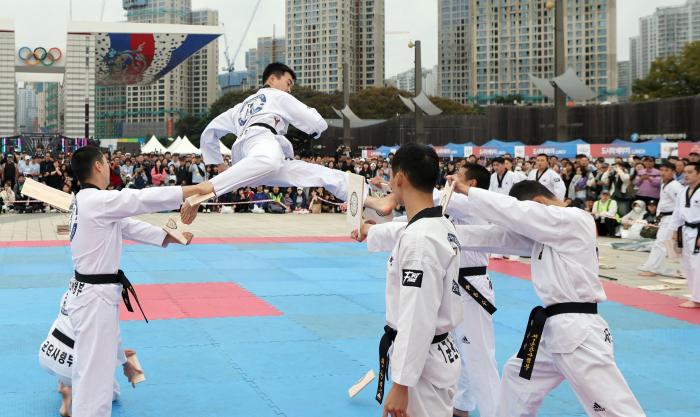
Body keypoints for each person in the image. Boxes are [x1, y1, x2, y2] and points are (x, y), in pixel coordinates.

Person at [446, 178, 645, 417]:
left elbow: (516, 213)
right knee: (517, 377)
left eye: (530, 213)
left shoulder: (574, 219)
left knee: (614, 408)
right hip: (552, 330)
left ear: (539, 203)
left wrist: (467, 190)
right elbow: (494, 237)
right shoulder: (548, 233)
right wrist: (442, 232)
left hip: (578, 332)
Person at [53, 146, 212, 417]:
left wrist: (166, 237)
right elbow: (140, 199)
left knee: (92, 364)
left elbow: (125, 225)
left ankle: (83, 400)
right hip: (94, 295)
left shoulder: (84, 201)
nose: (110, 165)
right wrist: (191, 190)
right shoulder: (97, 201)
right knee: (95, 373)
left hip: (92, 293)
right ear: (98, 166)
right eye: (107, 161)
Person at [364, 163, 500, 417]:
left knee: (479, 357)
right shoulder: (443, 214)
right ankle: (462, 405)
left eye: (458, 176)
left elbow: (424, 196)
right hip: (451, 283)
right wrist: (388, 193)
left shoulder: (473, 205)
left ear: (471, 185)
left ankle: (494, 412)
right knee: (456, 349)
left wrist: (390, 193)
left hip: (472, 287)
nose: (451, 179)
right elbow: (417, 217)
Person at [186, 63, 391, 220]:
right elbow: (315, 122)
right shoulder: (277, 96)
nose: (290, 89)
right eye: (288, 83)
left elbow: (210, 131)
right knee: (269, 160)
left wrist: (218, 163)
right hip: (261, 143)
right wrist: (316, 130)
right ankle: (201, 192)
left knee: (323, 174)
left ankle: (373, 202)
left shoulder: (240, 107)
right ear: (273, 79)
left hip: (251, 155)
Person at [352, 143, 462, 417]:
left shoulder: (420, 239)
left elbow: (417, 315)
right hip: (432, 354)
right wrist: (370, 230)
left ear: (399, 178)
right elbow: (402, 229)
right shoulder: (439, 224)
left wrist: (401, 383)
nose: (390, 183)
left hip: (422, 365)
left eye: (390, 176)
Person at [639, 162, 684, 276]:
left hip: (672, 218)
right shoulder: (665, 184)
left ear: (673, 172)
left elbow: (681, 204)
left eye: (666, 170)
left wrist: (678, 223)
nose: (663, 173)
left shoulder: (675, 186)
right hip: (665, 218)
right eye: (662, 170)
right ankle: (652, 266)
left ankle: (652, 269)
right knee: (668, 245)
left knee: (661, 243)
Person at [669, 162, 700, 308]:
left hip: (698, 232)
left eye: (690, 172)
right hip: (686, 231)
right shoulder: (683, 191)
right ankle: (695, 295)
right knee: (687, 264)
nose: (686, 174)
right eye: (685, 172)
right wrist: (674, 231)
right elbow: (677, 213)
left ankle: (697, 299)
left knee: (697, 265)